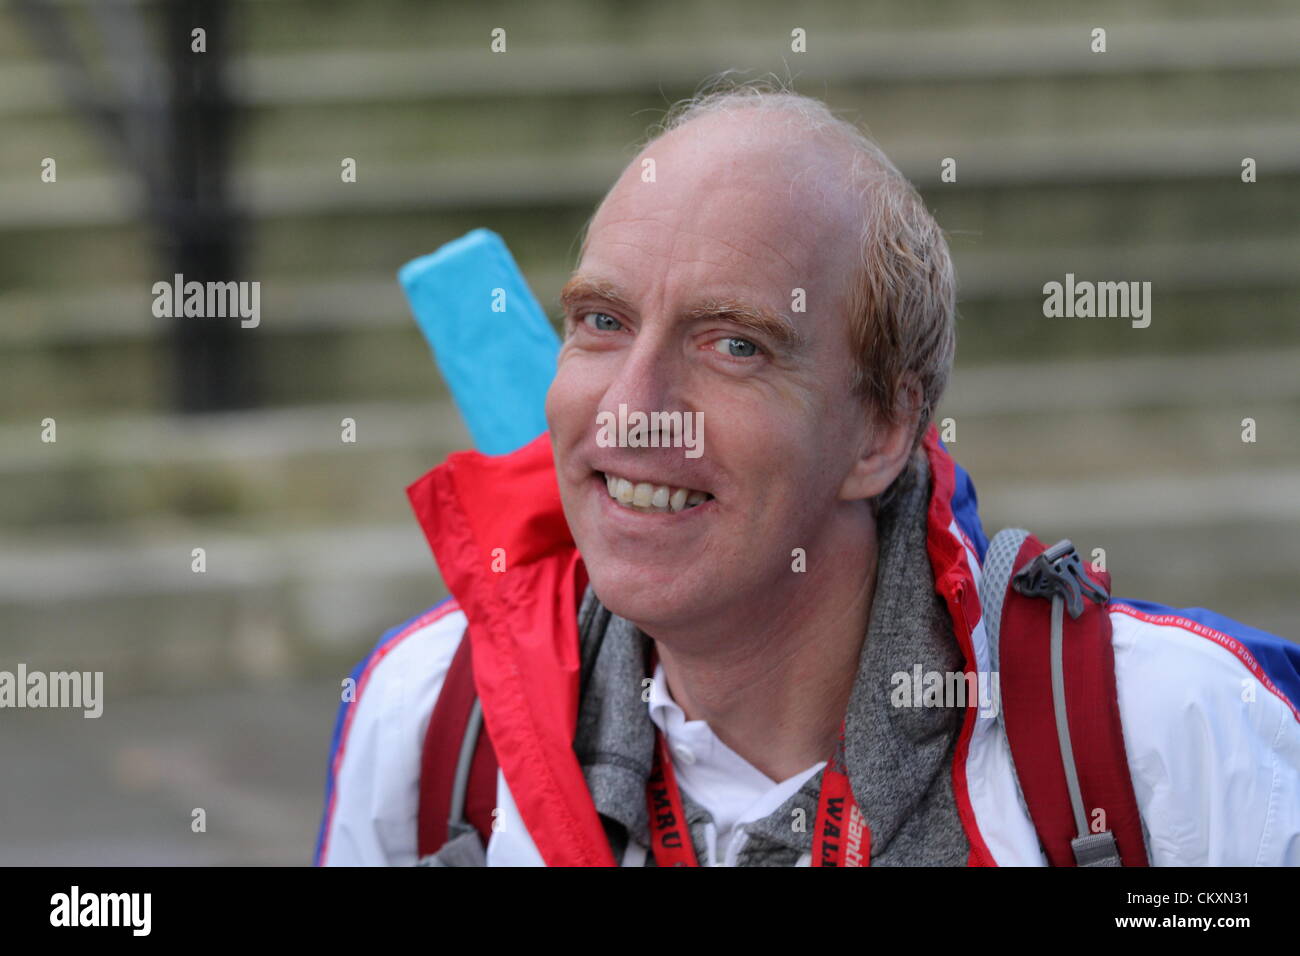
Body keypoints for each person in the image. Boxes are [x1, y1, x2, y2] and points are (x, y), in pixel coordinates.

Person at [315, 82, 1300, 867]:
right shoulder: (434, 716)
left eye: (734, 343)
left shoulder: (1169, 735)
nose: (630, 406)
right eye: (602, 321)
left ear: (882, 428)